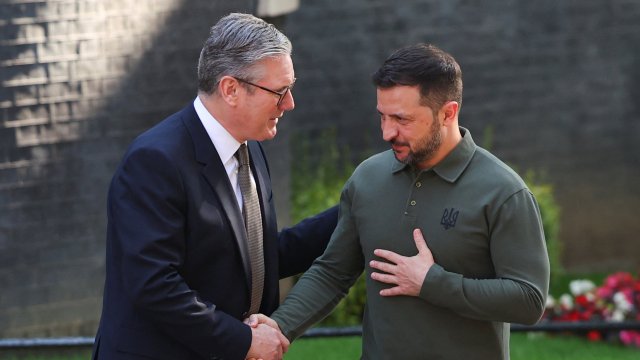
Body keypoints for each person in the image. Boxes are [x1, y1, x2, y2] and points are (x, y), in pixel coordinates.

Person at [248, 43, 550, 359]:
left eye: (402, 119)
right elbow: (332, 273)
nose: (387, 132)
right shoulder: (368, 179)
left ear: (448, 113)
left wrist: (432, 282)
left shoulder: (503, 193)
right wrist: (278, 329)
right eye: (383, 116)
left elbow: (529, 300)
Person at [92, 13, 338, 360]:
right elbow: (153, 285)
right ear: (231, 89)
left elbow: (255, 258)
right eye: (280, 91)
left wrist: (354, 208)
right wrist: (243, 341)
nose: (289, 104)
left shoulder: (251, 149)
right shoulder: (155, 161)